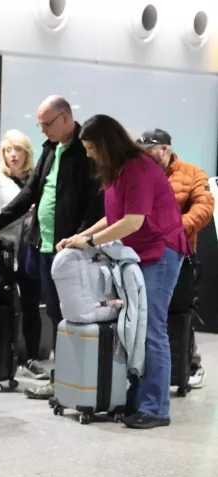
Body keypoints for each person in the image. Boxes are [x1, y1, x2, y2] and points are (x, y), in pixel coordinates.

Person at [58, 115, 188, 429]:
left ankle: (156, 408)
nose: (89, 154)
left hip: (160, 251)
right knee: (135, 326)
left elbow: (133, 221)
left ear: (106, 143)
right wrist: (79, 237)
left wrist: (90, 241)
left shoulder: (139, 167)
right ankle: (136, 398)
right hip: (138, 254)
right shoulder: (117, 171)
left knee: (151, 327)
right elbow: (113, 217)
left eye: (92, 148)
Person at [0, 95, 104, 400]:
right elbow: (30, 193)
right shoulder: (51, 149)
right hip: (44, 247)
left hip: (71, 248)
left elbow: (95, 202)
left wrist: (81, 238)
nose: (42, 130)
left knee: (72, 314)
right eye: (40, 125)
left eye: (47, 124)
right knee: (53, 312)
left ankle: (74, 378)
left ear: (65, 118)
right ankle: (61, 376)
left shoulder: (86, 151)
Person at [137, 129, 214, 389]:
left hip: (178, 253)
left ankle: (190, 364)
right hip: (144, 254)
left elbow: (204, 207)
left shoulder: (193, 173)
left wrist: (174, 228)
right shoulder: (141, 174)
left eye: (148, 151)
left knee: (178, 311)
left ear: (164, 149)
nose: (144, 156)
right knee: (151, 314)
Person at [0, 130, 47, 380]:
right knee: (5, 306)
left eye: (17, 149)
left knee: (32, 306)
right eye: (8, 150)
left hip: (31, 251)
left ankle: (31, 358)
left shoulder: (37, 180)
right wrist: (23, 213)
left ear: (26, 153)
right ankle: (3, 358)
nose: (12, 155)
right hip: (5, 252)